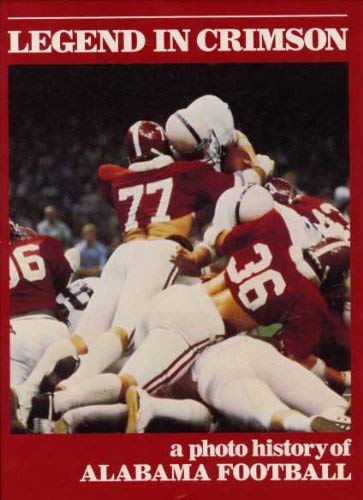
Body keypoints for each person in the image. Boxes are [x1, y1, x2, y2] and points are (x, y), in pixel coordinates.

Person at [18, 119, 248, 417]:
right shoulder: (188, 172)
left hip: (123, 252)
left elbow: (112, 174)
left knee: (85, 335)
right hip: (161, 250)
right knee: (123, 331)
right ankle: (70, 390)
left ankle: (28, 390)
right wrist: (258, 164)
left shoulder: (115, 177)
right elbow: (239, 187)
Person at [9, 221, 75, 432]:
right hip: (51, 327)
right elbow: (64, 279)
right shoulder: (45, 243)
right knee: (62, 400)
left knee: (15, 404)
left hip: (13, 333)